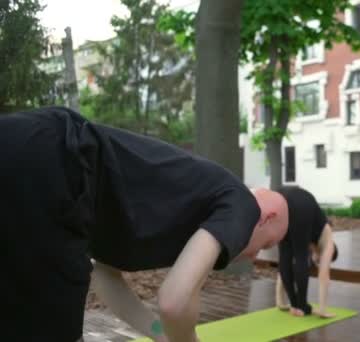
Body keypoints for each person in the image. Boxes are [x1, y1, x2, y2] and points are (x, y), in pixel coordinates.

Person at [1, 106, 289, 342]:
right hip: (55, 160)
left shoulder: (189, 206)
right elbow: (174, 302)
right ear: (266, 217)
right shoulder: (243, 203)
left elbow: (104, 276)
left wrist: (160, 334)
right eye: (266, 245)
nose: (254, 257)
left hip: (29, 147)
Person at [275, 186, 338, 318]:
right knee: (300, 256)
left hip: (280, 195)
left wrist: (280, 301)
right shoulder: (328, 243)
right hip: (300, 201)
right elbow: (324, 277)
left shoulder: (309, 234)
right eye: (320, 261)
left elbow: (283, 266)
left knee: (286, 251)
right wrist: (322, 309)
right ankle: (301, 306)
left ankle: (294, 305)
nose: (318, 262)